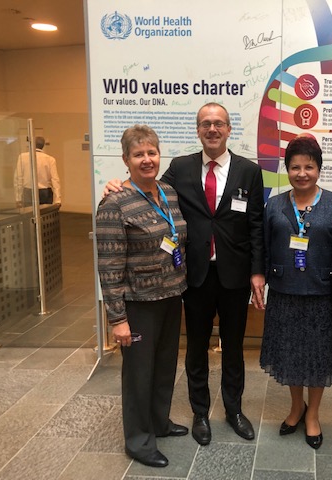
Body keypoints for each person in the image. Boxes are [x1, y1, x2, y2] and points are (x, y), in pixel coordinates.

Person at [105, 102, 265, 446]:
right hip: (193, 277)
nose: (212, 129)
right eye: (206, 123)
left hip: (235, 276)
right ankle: (201, 413)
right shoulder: (180, 167)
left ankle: (234, 410)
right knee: (195, 348)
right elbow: (147, 190)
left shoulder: (249, 171)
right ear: (198, 129)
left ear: (228, 129)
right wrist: (114, 185)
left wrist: (257, 272)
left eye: (218, 123)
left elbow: (256, 225)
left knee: (234, 347)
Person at [96, 125, 189, 468]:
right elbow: (109, 266)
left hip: (171, 295)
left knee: (164, 367)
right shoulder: (114, 202)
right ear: (126, 160)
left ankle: (159, 422)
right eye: (138, 154)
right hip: (137, 304)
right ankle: (138, 440)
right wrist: (117, 318)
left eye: (151, 153)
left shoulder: (168, 192)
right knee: (138, 373)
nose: (147, 160)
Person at [260, 135, 332, 449]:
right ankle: (295, 407)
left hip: (322, 294)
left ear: (319, 169)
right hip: (284, 292)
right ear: (287, 169)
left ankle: (313, 414)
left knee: (318, 357)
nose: (302, 173)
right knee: (290, 354)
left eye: (308, 167)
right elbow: (264, 246)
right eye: (295, 167)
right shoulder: (274, 204)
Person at [14, 136, 61, 206]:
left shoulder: (22, 157)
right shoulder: (50, 159)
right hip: (45, 192)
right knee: (45, 214)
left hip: (28, 191)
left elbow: (18, 178)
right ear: (43, 145)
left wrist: (18, 198)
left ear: (31, 144)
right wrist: (58, 199)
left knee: (29, 214)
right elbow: (55, 179)